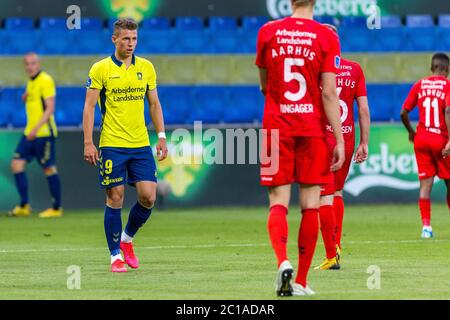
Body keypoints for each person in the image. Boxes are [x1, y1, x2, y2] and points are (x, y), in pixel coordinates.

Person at [256, 0, 344, 296]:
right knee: (311, 204)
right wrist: (340, 140)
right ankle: (303, 282)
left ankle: (282, 262)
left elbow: (264, 86)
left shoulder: (268, 32)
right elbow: (330, 93)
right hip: (311, 130)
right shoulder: (326, 36)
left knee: (278, 202)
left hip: (275, 128)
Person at [82, 18, 168, 273]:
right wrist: (89, 142)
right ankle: (115, 255)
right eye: (126, 39)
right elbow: (88, 107)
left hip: (141, 144)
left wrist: (161, 136)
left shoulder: (147, 68)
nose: (131, 44)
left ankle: (127, 239)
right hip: (112, 144)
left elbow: (154, 104)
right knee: (115, 198)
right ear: (114, 39)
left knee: (148, 197)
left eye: (134, 39)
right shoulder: (101, 69)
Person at [315, 24, 371, 270]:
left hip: (324, 139)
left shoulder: (315, 69)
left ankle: (330, 255)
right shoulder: (355, 69)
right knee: (337, 193)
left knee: (322, 197)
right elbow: (364, 109)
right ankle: (336, 246)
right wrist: (364, 142)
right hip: (347, 140)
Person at [400, 53, 450, 239]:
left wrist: (411, 132)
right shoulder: (447, 86)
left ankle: (426, 228)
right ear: (447, 70)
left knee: (425, 185)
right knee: (449, 183)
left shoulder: (420, 84)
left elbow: (403, 112)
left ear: (432, 68)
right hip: (441, 139)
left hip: (421, 139)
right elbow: (448, 110)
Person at [9, 52, 62, 218]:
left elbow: (50, 108)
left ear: (38, 64)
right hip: (30, 132)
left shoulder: (45, 80)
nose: (30, 66)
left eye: (33, 63)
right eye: (27, 64)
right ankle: (24, 205)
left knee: (49, 168)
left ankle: (56, 208)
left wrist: (36, 129)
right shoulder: (30, 83)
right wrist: (26, 98)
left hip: (44, 133)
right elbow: (35, 104)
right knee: (16, 164)